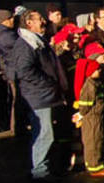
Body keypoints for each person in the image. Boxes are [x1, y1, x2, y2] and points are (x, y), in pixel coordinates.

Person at [13, 9, 68, 181]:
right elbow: (25, 70)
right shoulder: (25, 44)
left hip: (47, 95)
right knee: (44, 133)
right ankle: (39, 172)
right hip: (39, 97)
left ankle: (46, 168)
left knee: (48, 133)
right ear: (29, 23)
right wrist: (47, 83)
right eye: (39, 19)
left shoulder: (37, 41)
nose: (43, 22)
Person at [76, 55, 104, 177]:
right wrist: (82, 115)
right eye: (97, 69)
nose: (100, 71)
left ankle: (99, 163)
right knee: (93, 142)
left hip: (97, 116)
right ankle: (94, 167)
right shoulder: (90, 86)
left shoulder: (96, 83)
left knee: (99, 139)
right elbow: (84, 106)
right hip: (92, 118)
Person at [0, 9, 18, 133]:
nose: (14, 20)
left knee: (3, 98)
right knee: (12, 99)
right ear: (5, 20)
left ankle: (4, 123)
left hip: (1, 70)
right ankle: (11, 125)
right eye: (11, 18)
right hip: (5, 70)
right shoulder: (5, 35)